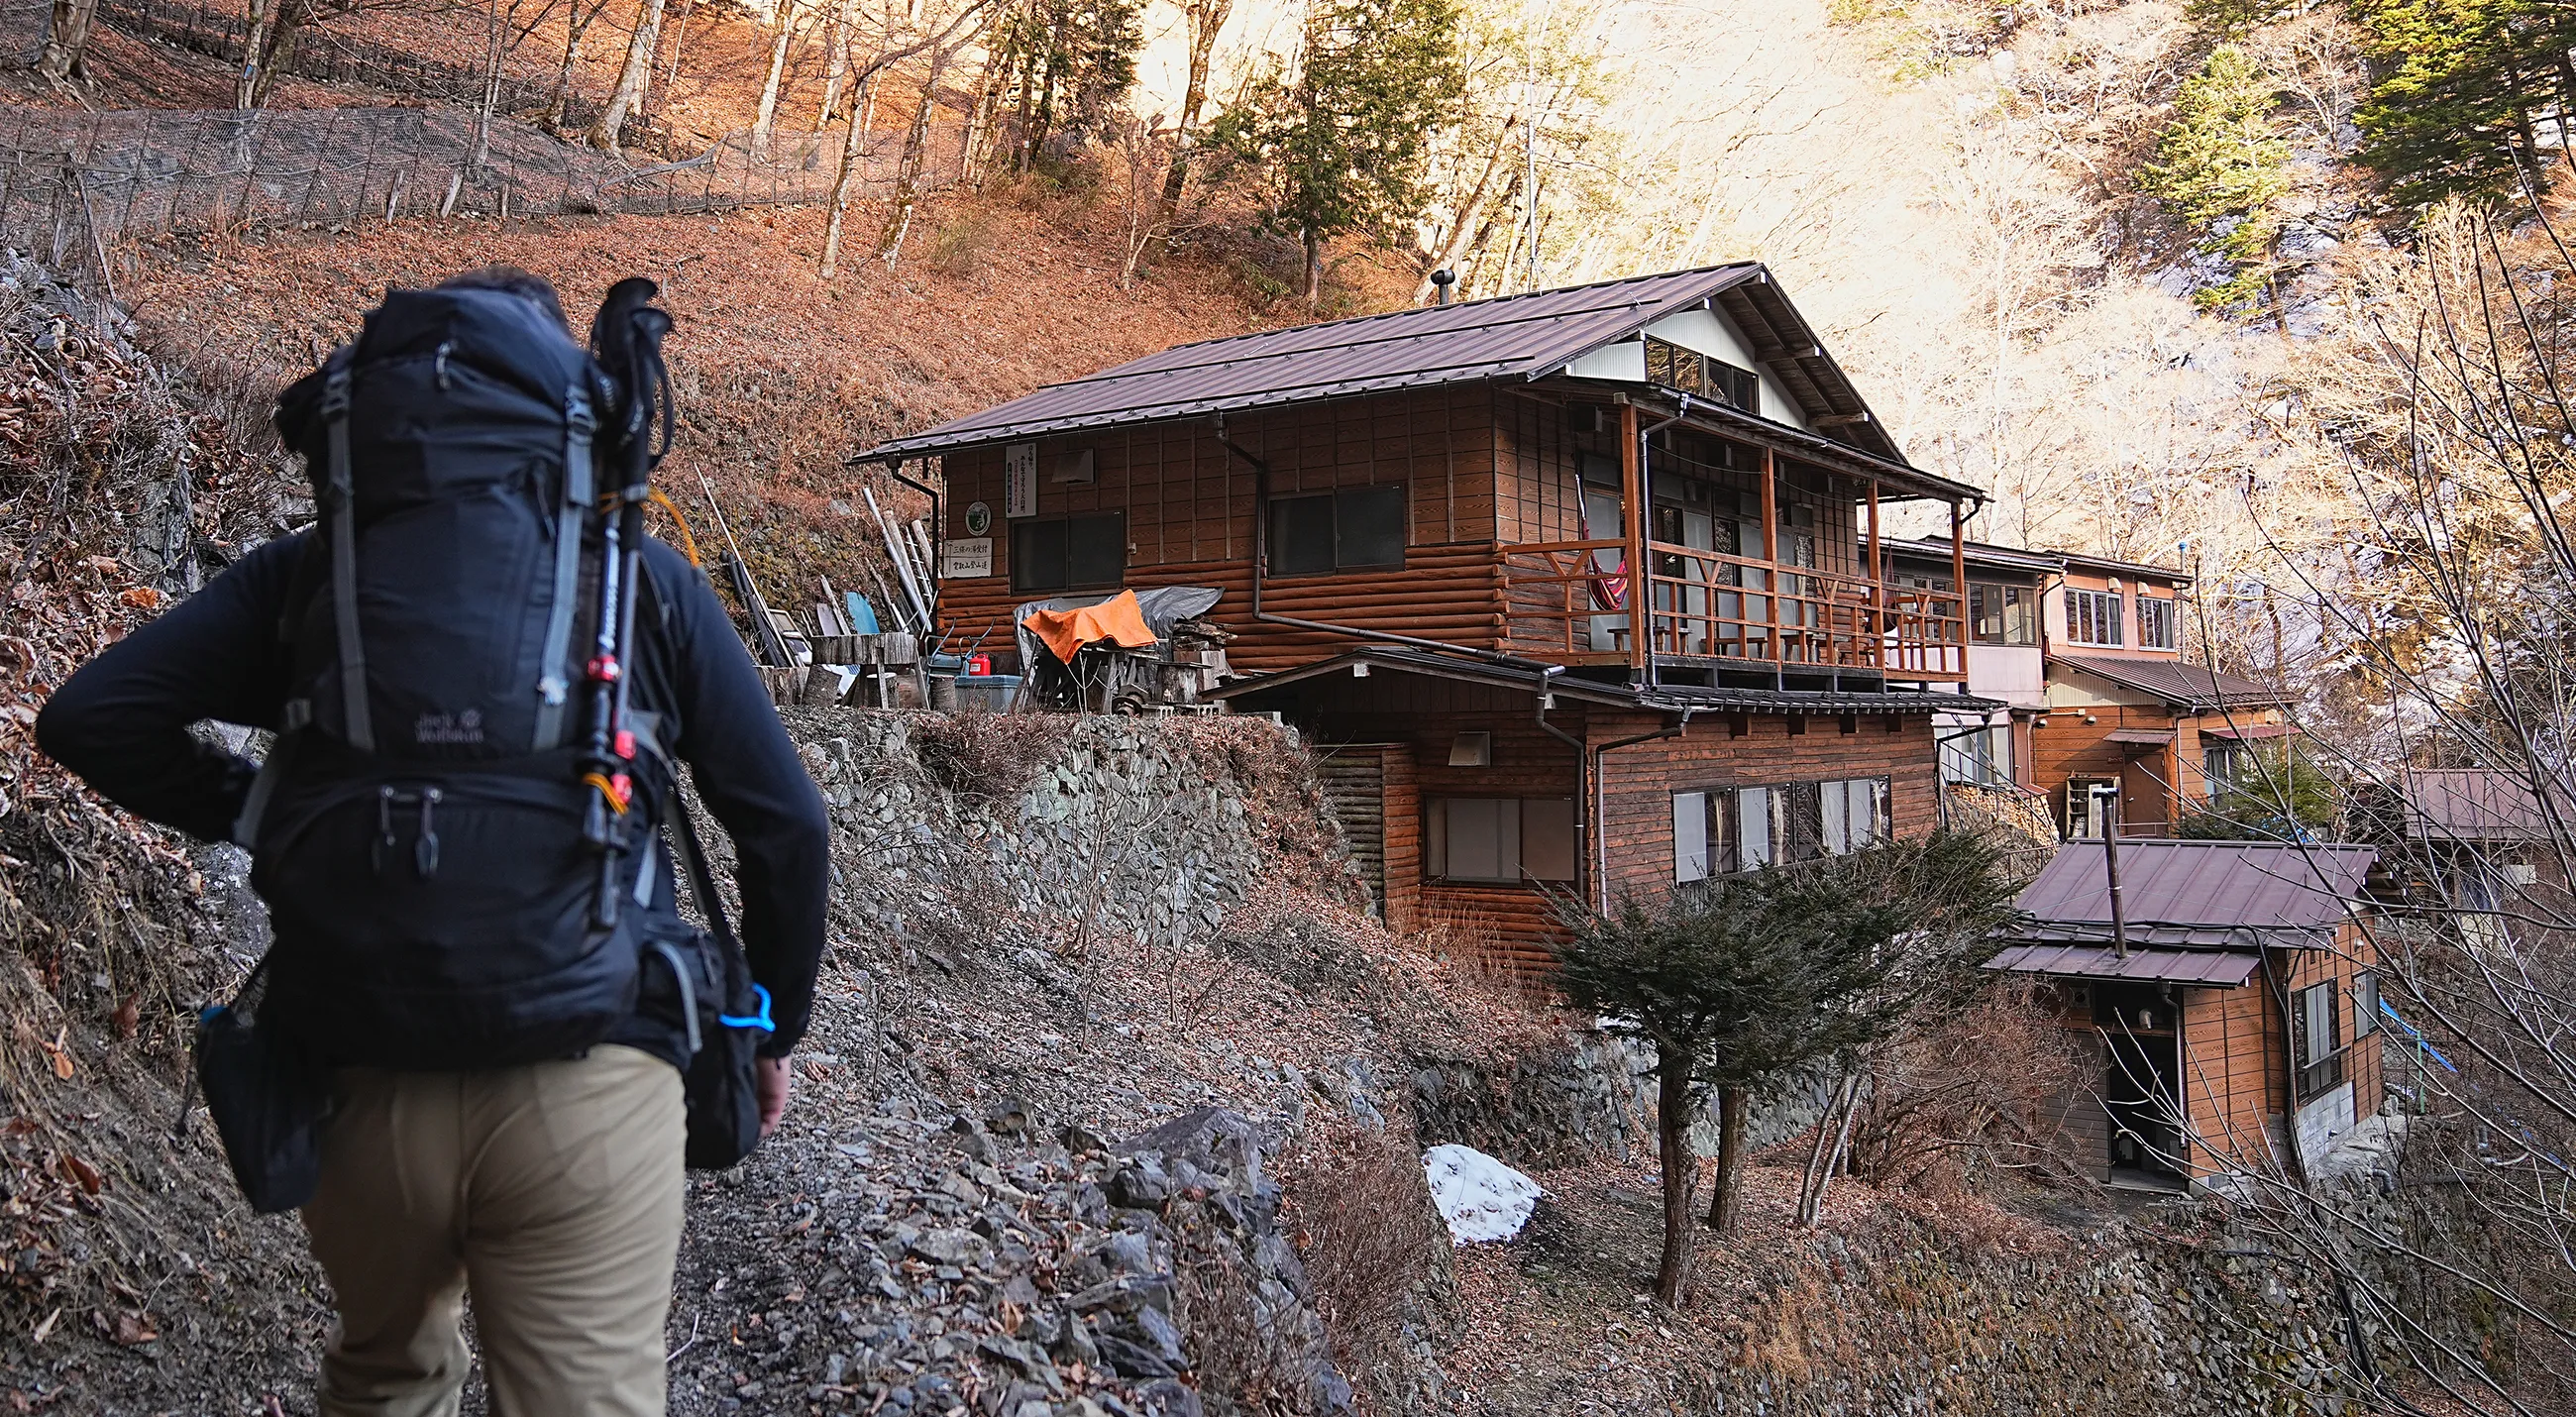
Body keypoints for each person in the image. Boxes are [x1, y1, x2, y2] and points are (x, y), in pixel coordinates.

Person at [35, 268, 832, 1417]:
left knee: (385, 1375)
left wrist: (257, 809)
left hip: (356, 1071)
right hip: (592, 1078)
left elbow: (89, 715)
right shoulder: (641, 580)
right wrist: (772, 1026)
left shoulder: (311, 579)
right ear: (569, 405)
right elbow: (786, 826)